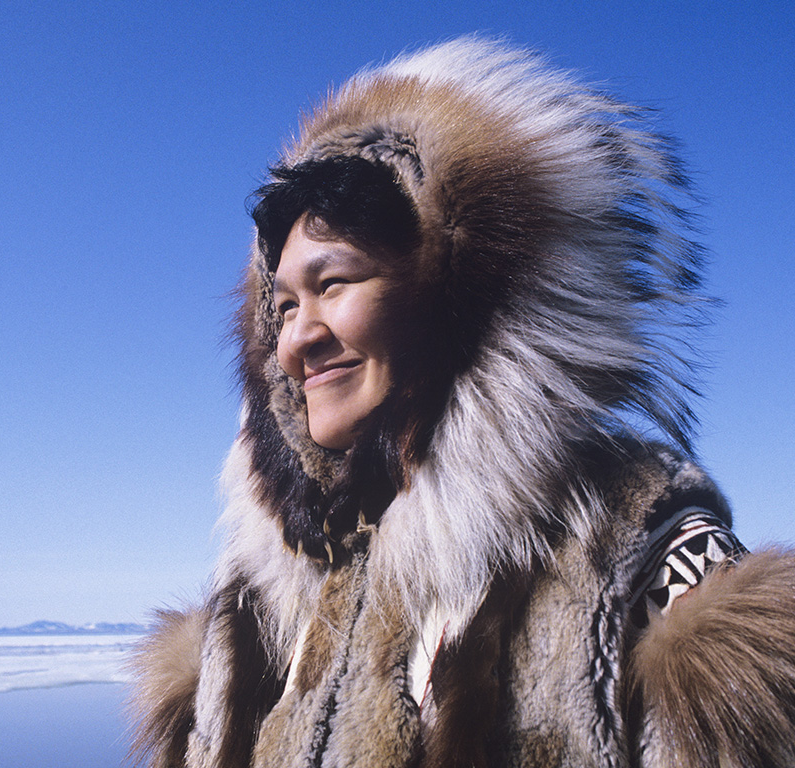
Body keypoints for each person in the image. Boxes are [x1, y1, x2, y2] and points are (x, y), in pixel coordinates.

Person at [130, 37, 795, 767]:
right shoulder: (257, 613)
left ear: (450, 295)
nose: (298, 340)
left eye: (334, 284)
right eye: (282, 308)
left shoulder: (649, 565)